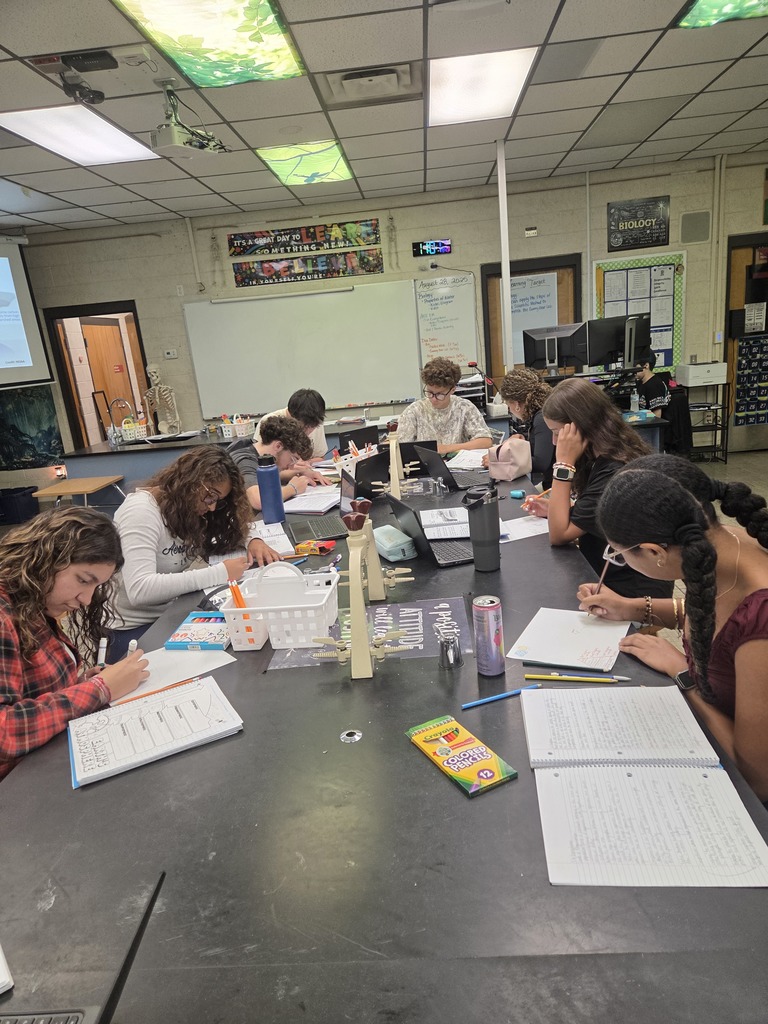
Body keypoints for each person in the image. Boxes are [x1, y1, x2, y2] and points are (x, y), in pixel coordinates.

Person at [578, 454, 768, 802]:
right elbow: (723, 625)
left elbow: (758, 778)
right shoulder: (725, 544)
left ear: (654, 551)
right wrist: (635, 607)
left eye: (619, 554)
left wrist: (682, 672)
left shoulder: (763, 617)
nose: (617, 560)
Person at [0, 507, 149, 780]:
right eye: (83, 580)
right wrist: (98, 690)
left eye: (96, 586)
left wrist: (79, 684)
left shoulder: (33, 600)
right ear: (46, 558)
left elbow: (32, 690)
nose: (87, 599)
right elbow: (4, 732)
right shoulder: (3, 614)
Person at [109, 446, 279, 656]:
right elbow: (140, 589)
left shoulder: (186, 509)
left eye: (218, 500)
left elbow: (230, 527)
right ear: (189, 483)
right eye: (210, 496)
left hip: (169, 613)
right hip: (133, 631)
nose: (212, 507)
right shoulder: (141, 513)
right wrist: (219, 573)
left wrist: (253, 539)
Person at [523, 378, 672, 600]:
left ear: (580, 427)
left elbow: (559, 535)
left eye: (557, 432)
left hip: (630, 593)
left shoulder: (614, 470)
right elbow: (602, 511)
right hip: (610, 574)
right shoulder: (611, 451)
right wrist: (563, 507)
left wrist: (563, 465)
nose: (554, 441)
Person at [396, 357, 492, 455]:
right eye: (429, 392)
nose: (433, 398)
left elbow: (485, 441)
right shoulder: (414, 411)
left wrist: (448, 448)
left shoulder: (464, 408)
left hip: (459, 466)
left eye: (439, 394)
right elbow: (399, 447)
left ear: (452, 390)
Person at [229, 414, 323, 510]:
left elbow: (261, 477)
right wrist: (292, 488)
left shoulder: (257, 450)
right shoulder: (245, 460)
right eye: (292, 459)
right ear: (278, 446)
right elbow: (259, 501)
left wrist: (298, 473)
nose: (292, 466)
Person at [497, 367, 555, 488]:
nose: (509, 409)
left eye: (508, 404)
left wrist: (500, 460)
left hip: (556, 487)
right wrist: (523, 440)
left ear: (517, 404)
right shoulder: (541, 412)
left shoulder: (542, 418)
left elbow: (541, 463)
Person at [254, 388, 328, 461]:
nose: (307, 431)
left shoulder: (314, 421)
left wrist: (306, 463)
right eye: (303, 427)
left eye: (312, 427)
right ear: (292, 415)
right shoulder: (269, 422)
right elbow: (259, 460)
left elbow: (320, 457)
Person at [144, 363, 181, 435]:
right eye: (150, 374)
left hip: (175, 424)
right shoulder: (149, 392)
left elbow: (172, 407)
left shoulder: (168, 389)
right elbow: (152, 408)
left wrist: (177, 419)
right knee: (161, 425)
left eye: (154, 373)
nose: (153, 377)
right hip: (164, 427)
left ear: (159, 372)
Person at [634, 351, 669, 417]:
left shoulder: (654, 385)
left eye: (635, 367)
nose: (633, 370)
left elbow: (657, 416)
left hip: (651, 424)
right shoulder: (641, 382)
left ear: (646, 365)